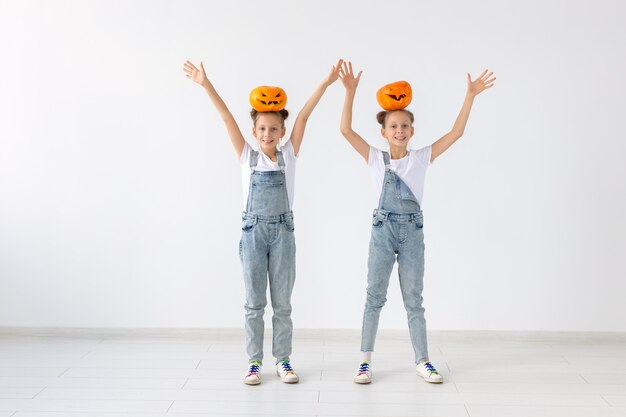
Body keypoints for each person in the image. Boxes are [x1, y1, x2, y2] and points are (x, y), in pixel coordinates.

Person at [183, 59, 343, 385]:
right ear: (254, 132)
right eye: (262, 129)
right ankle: (254, 361)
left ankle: (283, 359)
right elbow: (226, 116)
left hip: (283, 233)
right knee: (254, 303)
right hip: (253, 233)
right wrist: (205, 83)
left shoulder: (290, 155)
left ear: (282, 132)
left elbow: (304, 115)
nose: (268, 134)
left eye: (273, 129)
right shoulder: (247, 156)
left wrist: (325, 84)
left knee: (282, 304)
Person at [338, 61, 495, 384]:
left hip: (412, 233)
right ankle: (365, 360)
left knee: (414, 299)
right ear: (383, 132)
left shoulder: (421, 158)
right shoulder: (375, 159)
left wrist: (470, 96)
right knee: (374, 296)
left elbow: (456, 133)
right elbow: (345, 131)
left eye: (405, 126)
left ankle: (422, 360)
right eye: (393, 125)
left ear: (412, 130)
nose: (399, 130)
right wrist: (350, 93)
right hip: (382, 233)